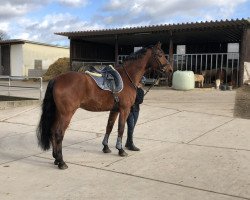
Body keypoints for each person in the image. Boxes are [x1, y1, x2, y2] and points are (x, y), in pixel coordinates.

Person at [125, 77, 145, 151]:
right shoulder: (130, 91)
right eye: (138, 83)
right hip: (129, 111)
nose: (139, 84)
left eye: (141, 83)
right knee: (130, 126)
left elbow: (140, 101)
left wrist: (138, 91)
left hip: (136, 110)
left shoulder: (141, 91)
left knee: (132, 127)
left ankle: (127, 142)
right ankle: (130, 144)